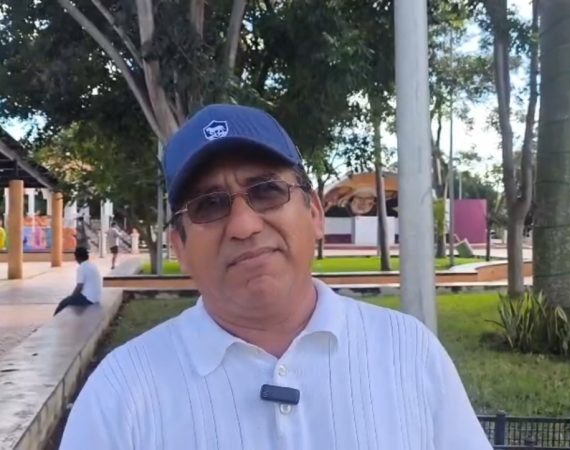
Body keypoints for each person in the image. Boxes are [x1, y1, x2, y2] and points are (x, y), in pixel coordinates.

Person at [59, 104, 493, 449]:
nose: (244, 225)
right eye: (210, 205)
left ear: (315, 213)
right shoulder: (119, 395)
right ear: (181, 247)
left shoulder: (409, 353)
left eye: (267, 191)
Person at [54, 247, 102, 316]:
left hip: (88, 299)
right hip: (96, 297)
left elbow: (79, 287)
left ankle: (54, 320)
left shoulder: (81, 268)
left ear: (77, 257)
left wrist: (72, 297)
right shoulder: (92, 265)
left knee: (63, 303)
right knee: (69, 300)